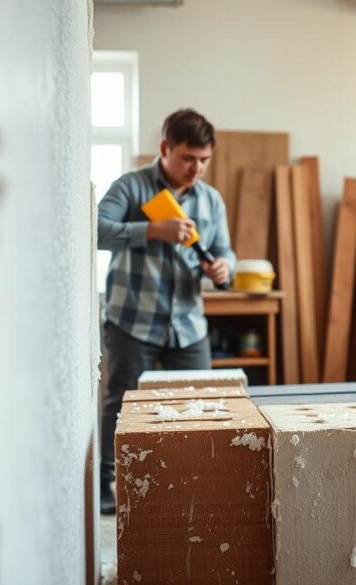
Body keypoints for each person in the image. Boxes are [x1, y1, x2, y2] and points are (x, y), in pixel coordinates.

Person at [96, 108, 235, 515]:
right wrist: (152, 230)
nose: (197, 169)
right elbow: (96, 230)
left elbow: (225, 251)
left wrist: (224, 268)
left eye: (204, 160)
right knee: (120, 404)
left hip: (188, 326)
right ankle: (106, 485)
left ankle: (192, 485)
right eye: (188, 158)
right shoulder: (130, 187)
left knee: (201, 405)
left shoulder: (211, 200)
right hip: (132, 321)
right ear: (164, 148)